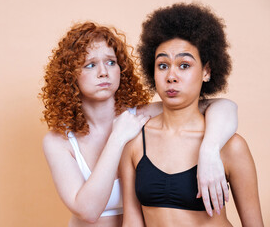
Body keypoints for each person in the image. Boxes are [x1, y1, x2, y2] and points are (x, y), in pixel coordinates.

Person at [40, 21, 238, 226]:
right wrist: (117, 138)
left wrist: (210, 151)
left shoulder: (140, 116)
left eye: (110, 62)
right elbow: (88, 211)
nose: (103, 72)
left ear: (121, 68)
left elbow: (224, 106)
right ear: (70, 76)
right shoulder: (59, 141)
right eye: (90, 65)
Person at [120, 3, 263, 227]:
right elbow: (131, 222)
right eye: (163, 65)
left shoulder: (231, 147)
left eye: (184, 65)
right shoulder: (135, 142)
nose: (171, 76)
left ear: (206, 71)